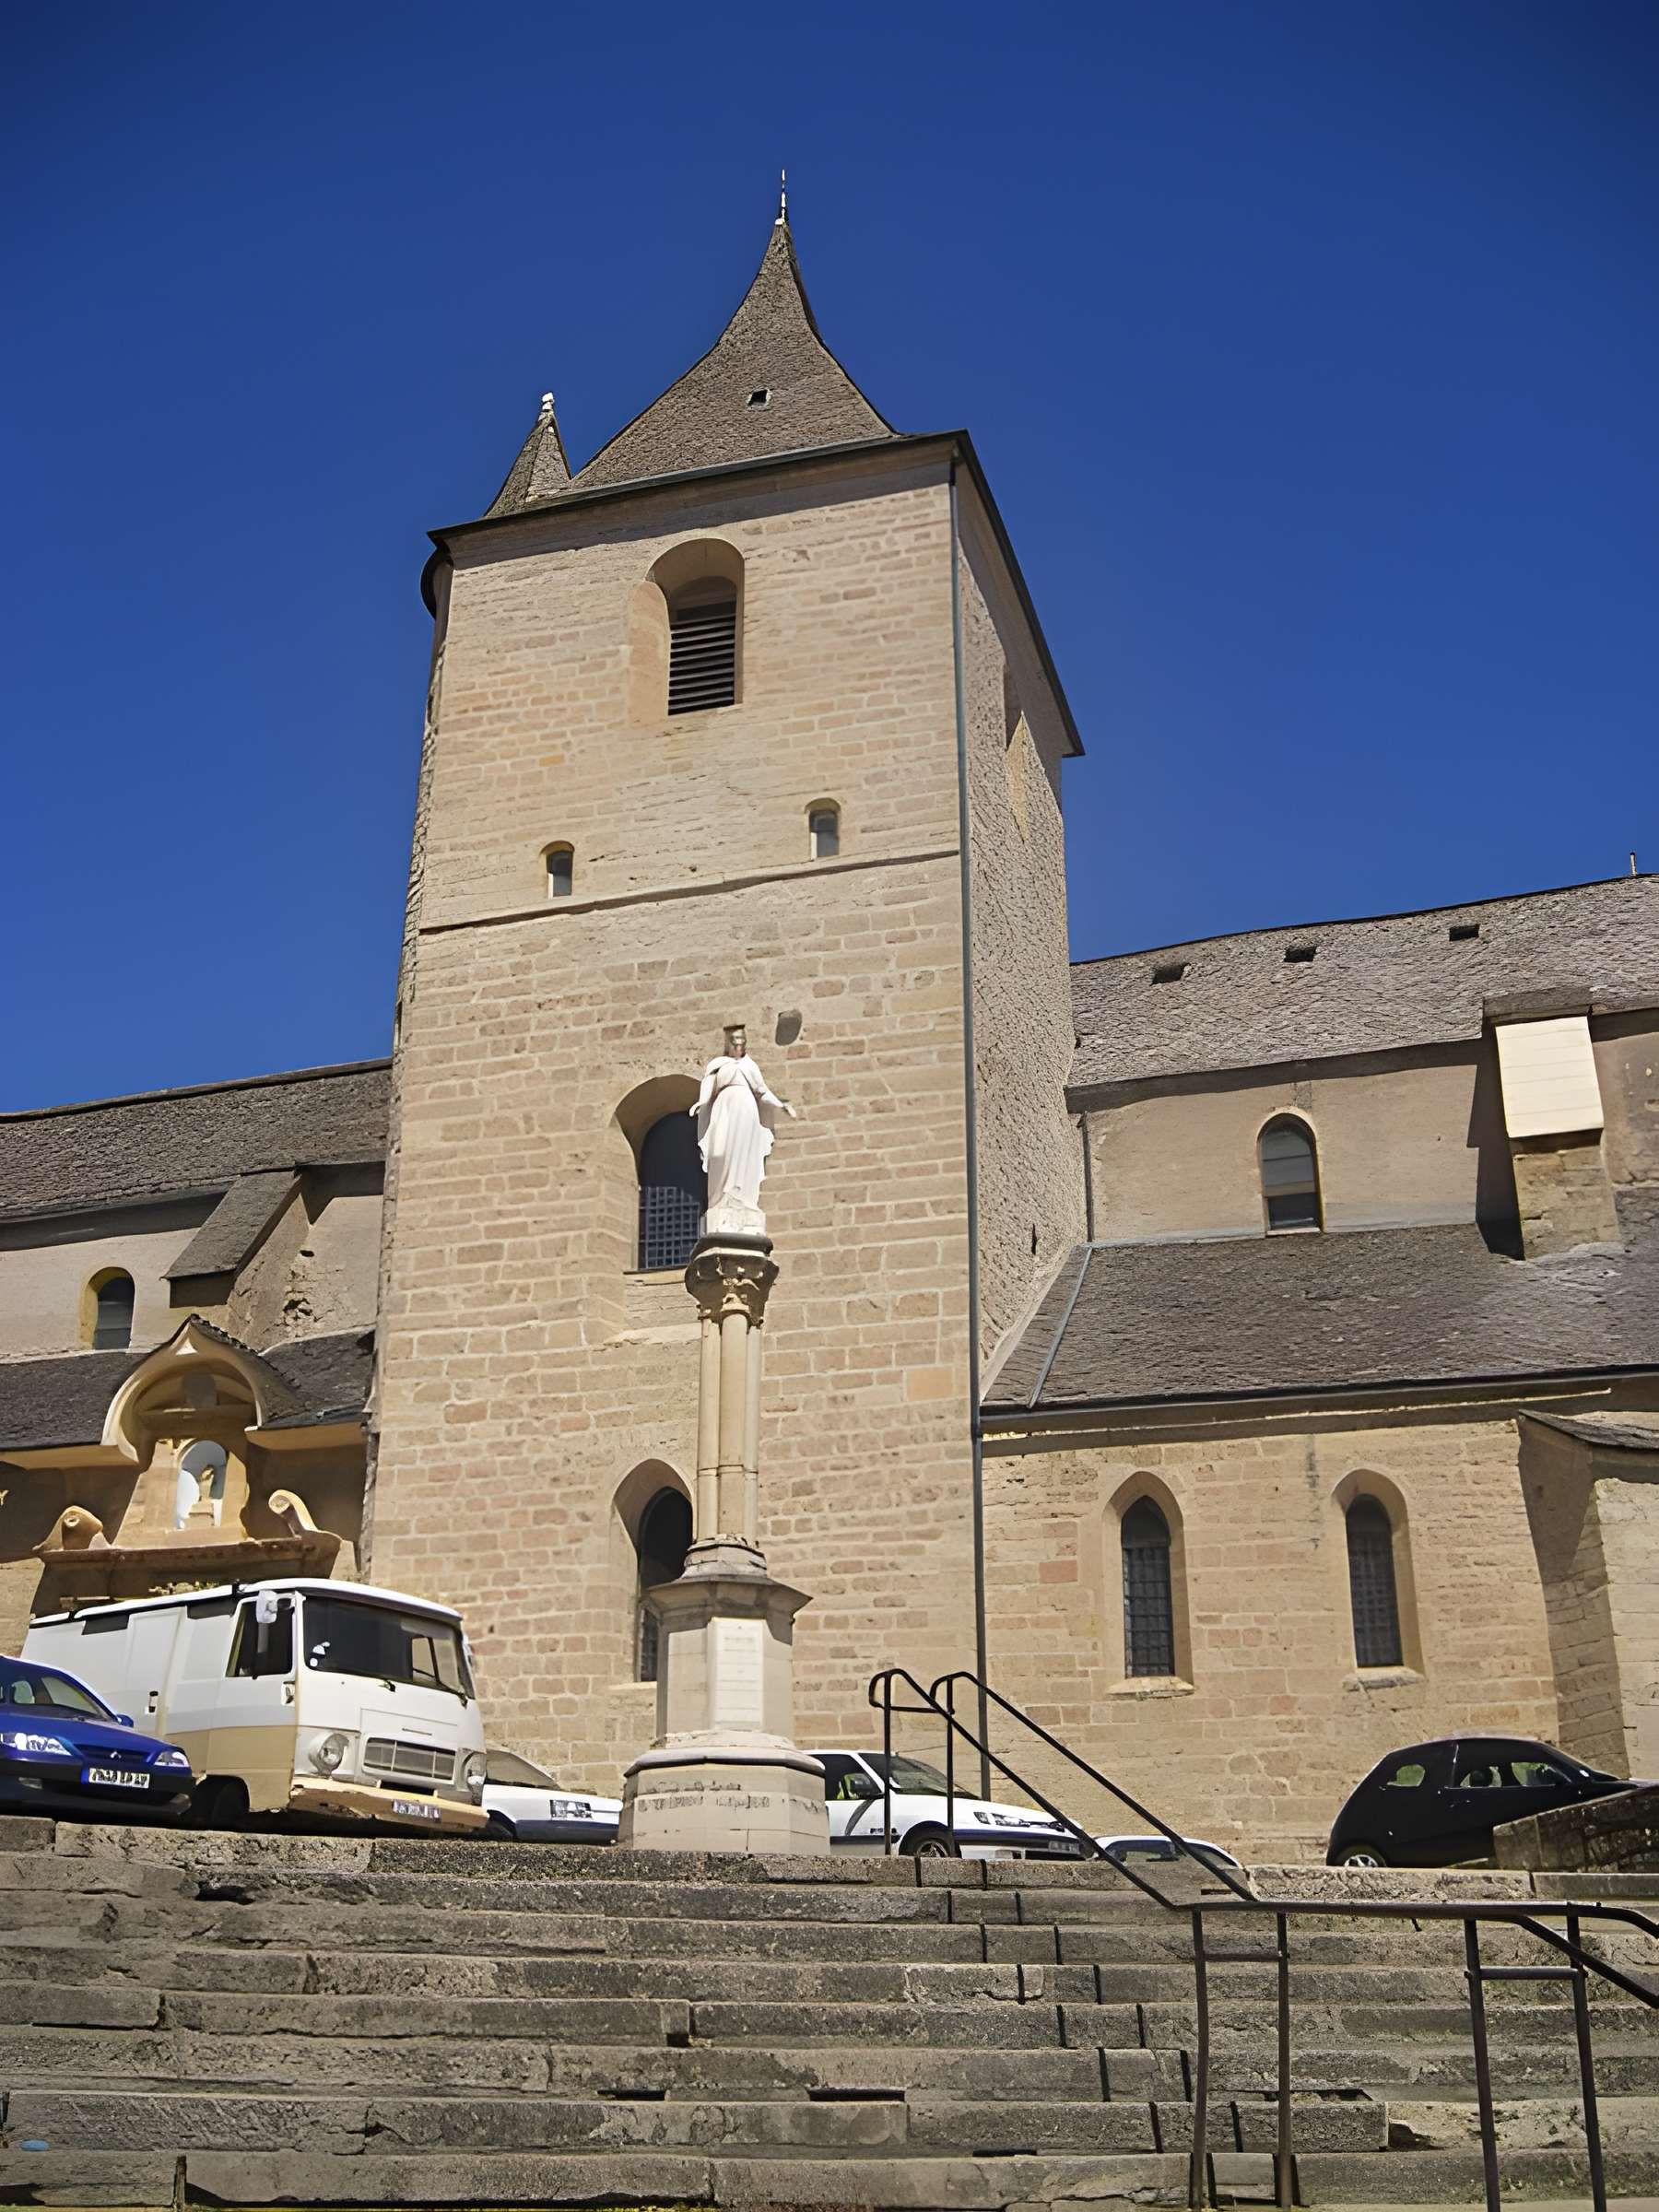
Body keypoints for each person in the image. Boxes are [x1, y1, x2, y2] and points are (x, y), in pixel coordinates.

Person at [692, 1024, 796, 1217]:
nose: (738, 1046)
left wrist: (781, 1105)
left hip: (746, 1111)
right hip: (724, 1109)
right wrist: (701, 1104)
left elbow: (762, 1091)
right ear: (728, 1044)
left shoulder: (750, 1066)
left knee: (743, 1150)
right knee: (720, 1151)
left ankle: (740, 1195)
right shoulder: (718, 1065)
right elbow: (708, 1089)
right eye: (734, 1042)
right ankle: (720, 1198)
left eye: (741, 1042)